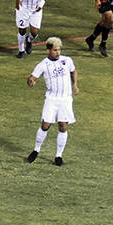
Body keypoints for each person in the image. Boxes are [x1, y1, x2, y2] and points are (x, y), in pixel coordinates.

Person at [26, 37, 78, 166]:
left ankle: (58, 156)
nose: (57, 52)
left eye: (59, 50)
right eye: (55, 50)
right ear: (48, 50)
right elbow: (32, 77)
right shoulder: (43, 64)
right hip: (51, 99)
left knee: (63, 126)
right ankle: (36, 150)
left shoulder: (67, 60)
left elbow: (73, 71)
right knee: (45, 125)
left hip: (65, 99)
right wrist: (31, 81)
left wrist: (75, 84)